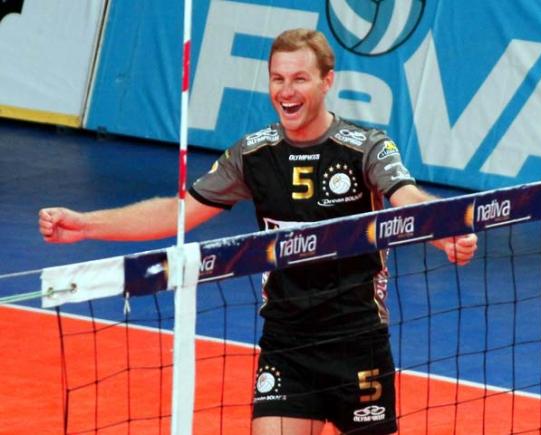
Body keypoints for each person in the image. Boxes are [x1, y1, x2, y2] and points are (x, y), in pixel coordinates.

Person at [39, 28, 477, 435]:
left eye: (300, 79)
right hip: (286, 343)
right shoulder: (253, 155)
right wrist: (86, 224)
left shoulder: (366, 148)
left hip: (357, 342)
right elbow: (179, 212)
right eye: (277, 79)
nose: (286, 91)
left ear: (327, 82)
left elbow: (406, 196)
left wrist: (444, 229)